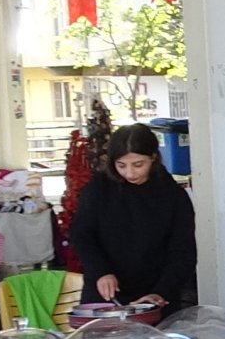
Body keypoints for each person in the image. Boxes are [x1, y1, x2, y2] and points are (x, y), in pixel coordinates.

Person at [70, 124, 197, 314]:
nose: (130, 173)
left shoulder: (173, 196)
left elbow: (182, 252)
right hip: (105, 294)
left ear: (153, 157)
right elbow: (82, 236)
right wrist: (100, 271)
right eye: (121, 165)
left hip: (155, 296)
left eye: (138, 165)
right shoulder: (97, 190)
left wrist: (160, 292)